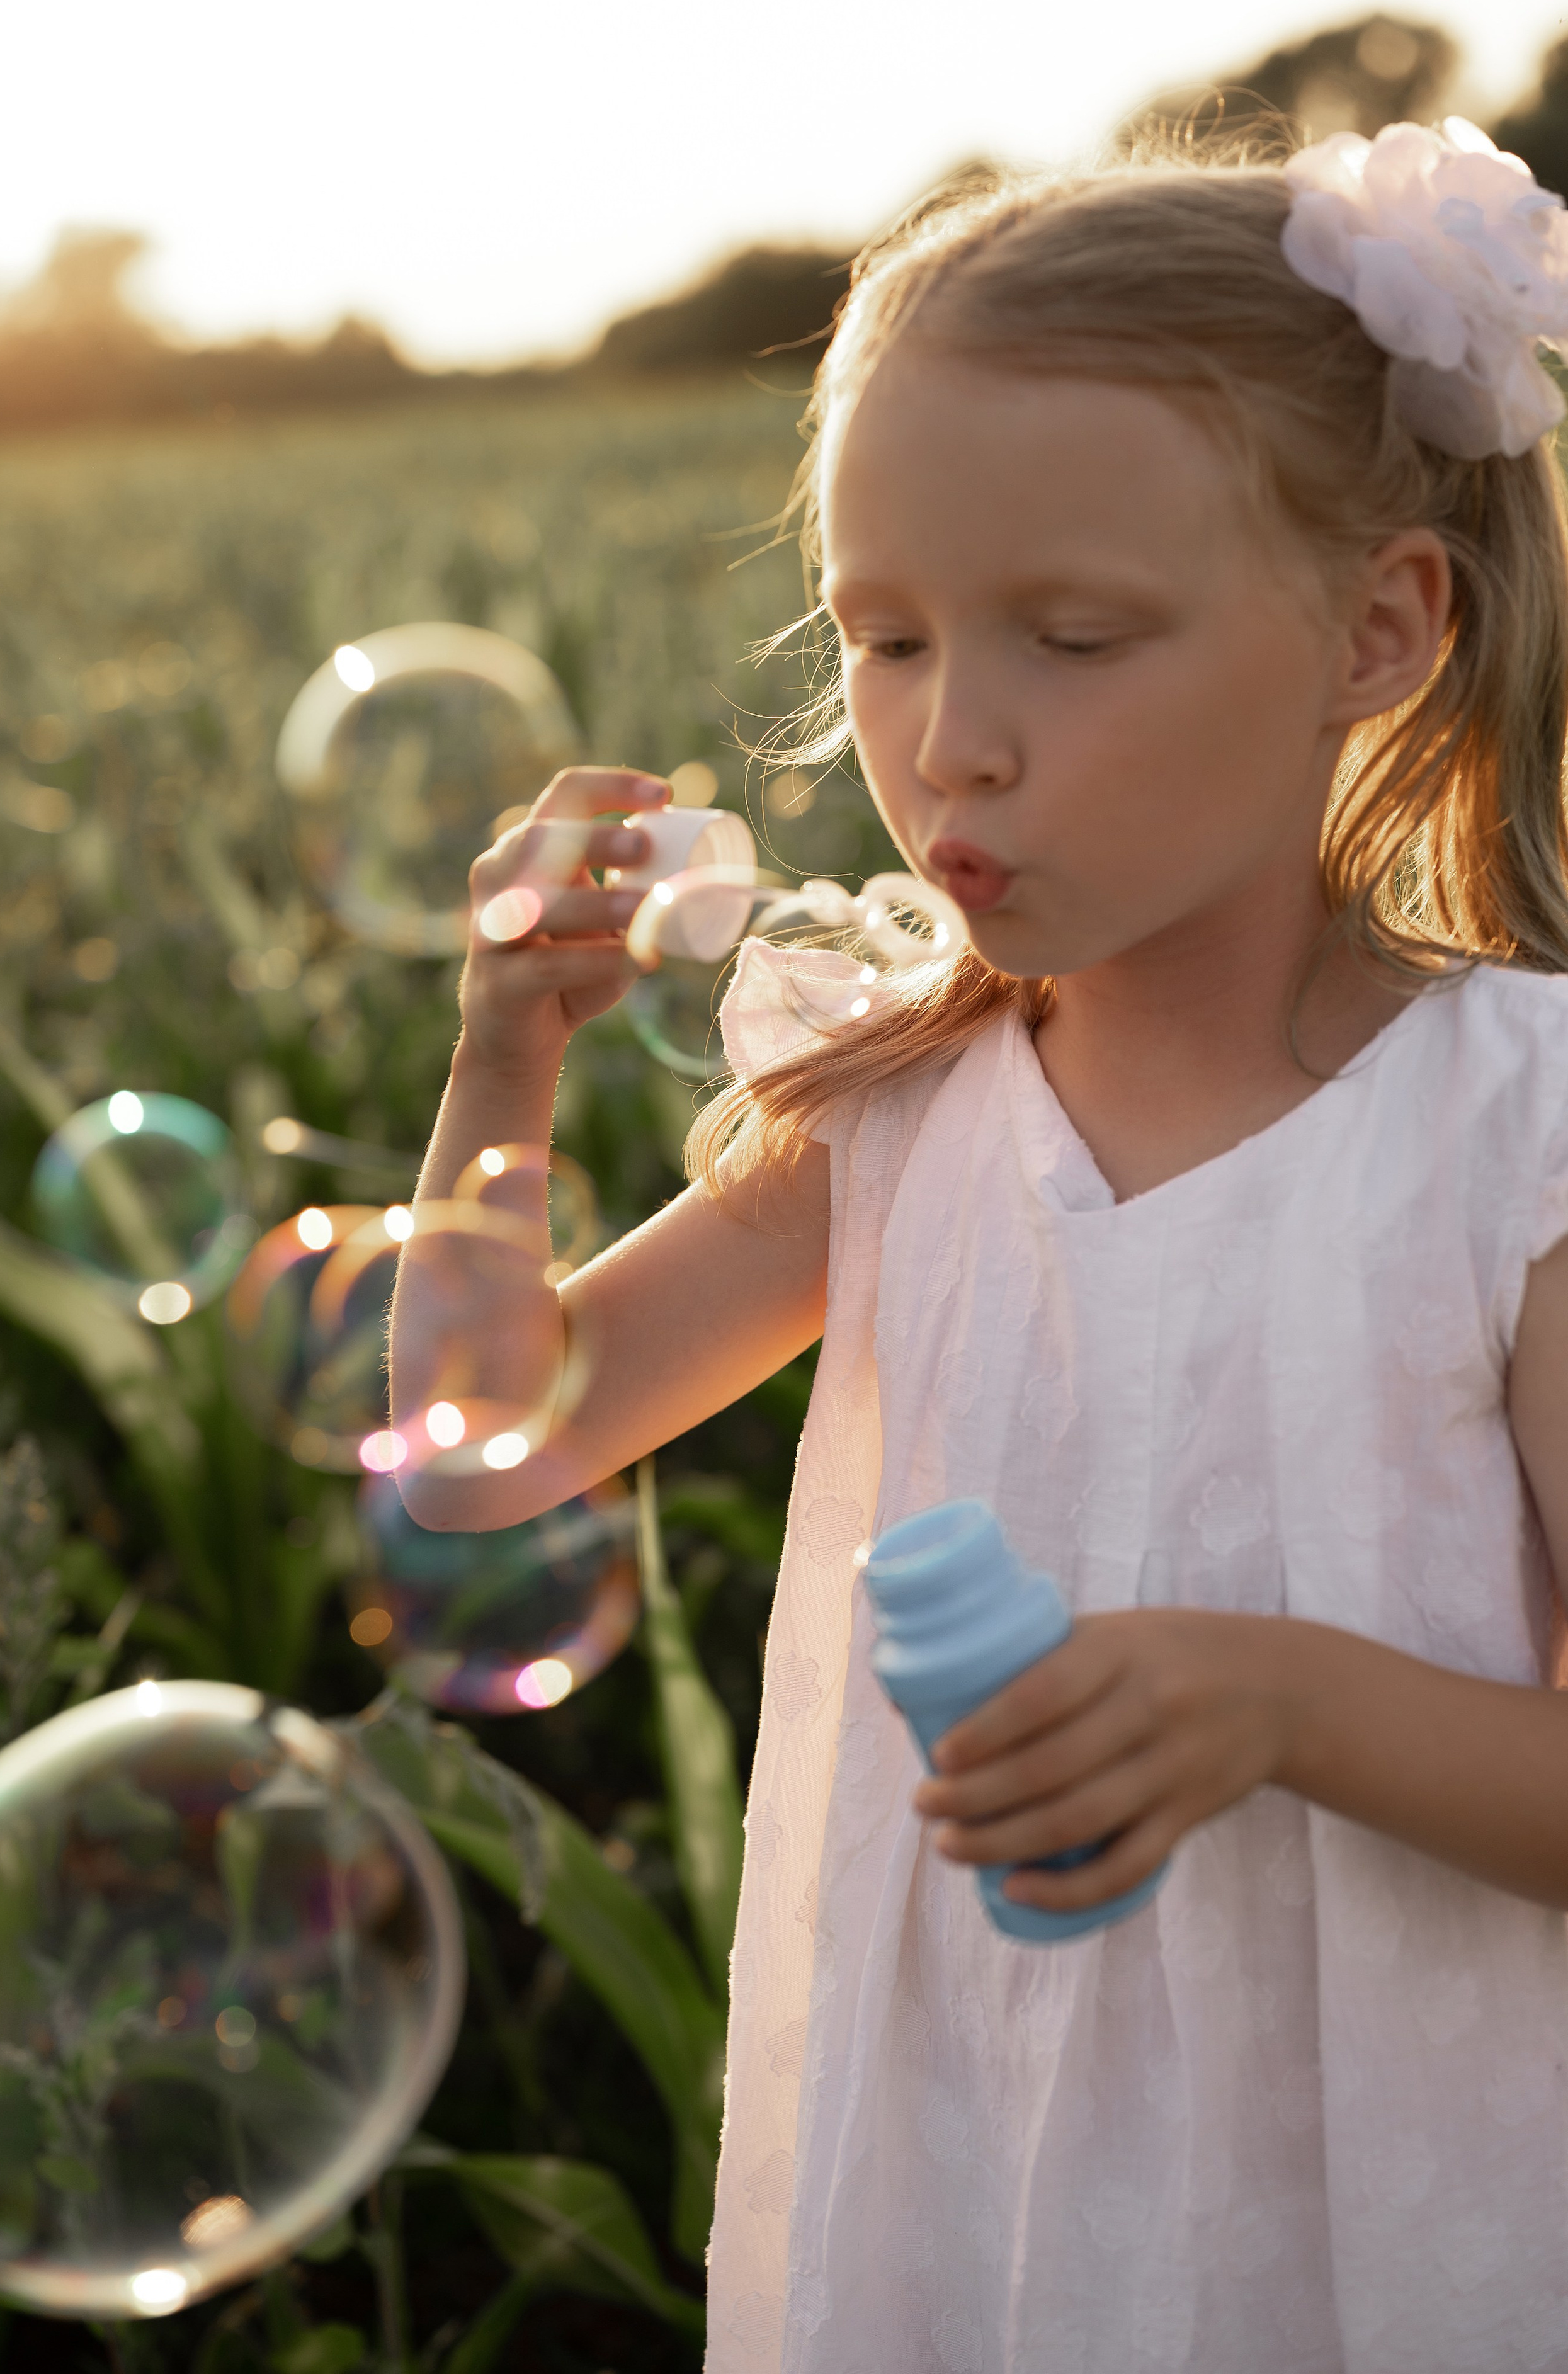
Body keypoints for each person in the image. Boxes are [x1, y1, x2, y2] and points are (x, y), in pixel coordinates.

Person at [399, 118, 1568, 2371]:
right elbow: (483, 1450)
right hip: (945, 2174)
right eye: (887, 635)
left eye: (1075, 635)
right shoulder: (895, 1106)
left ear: (1380, 627)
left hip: (1382, 2207)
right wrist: (502, 1066)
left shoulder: (1508, 1144)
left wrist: (1278, 1696)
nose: (955, 743)